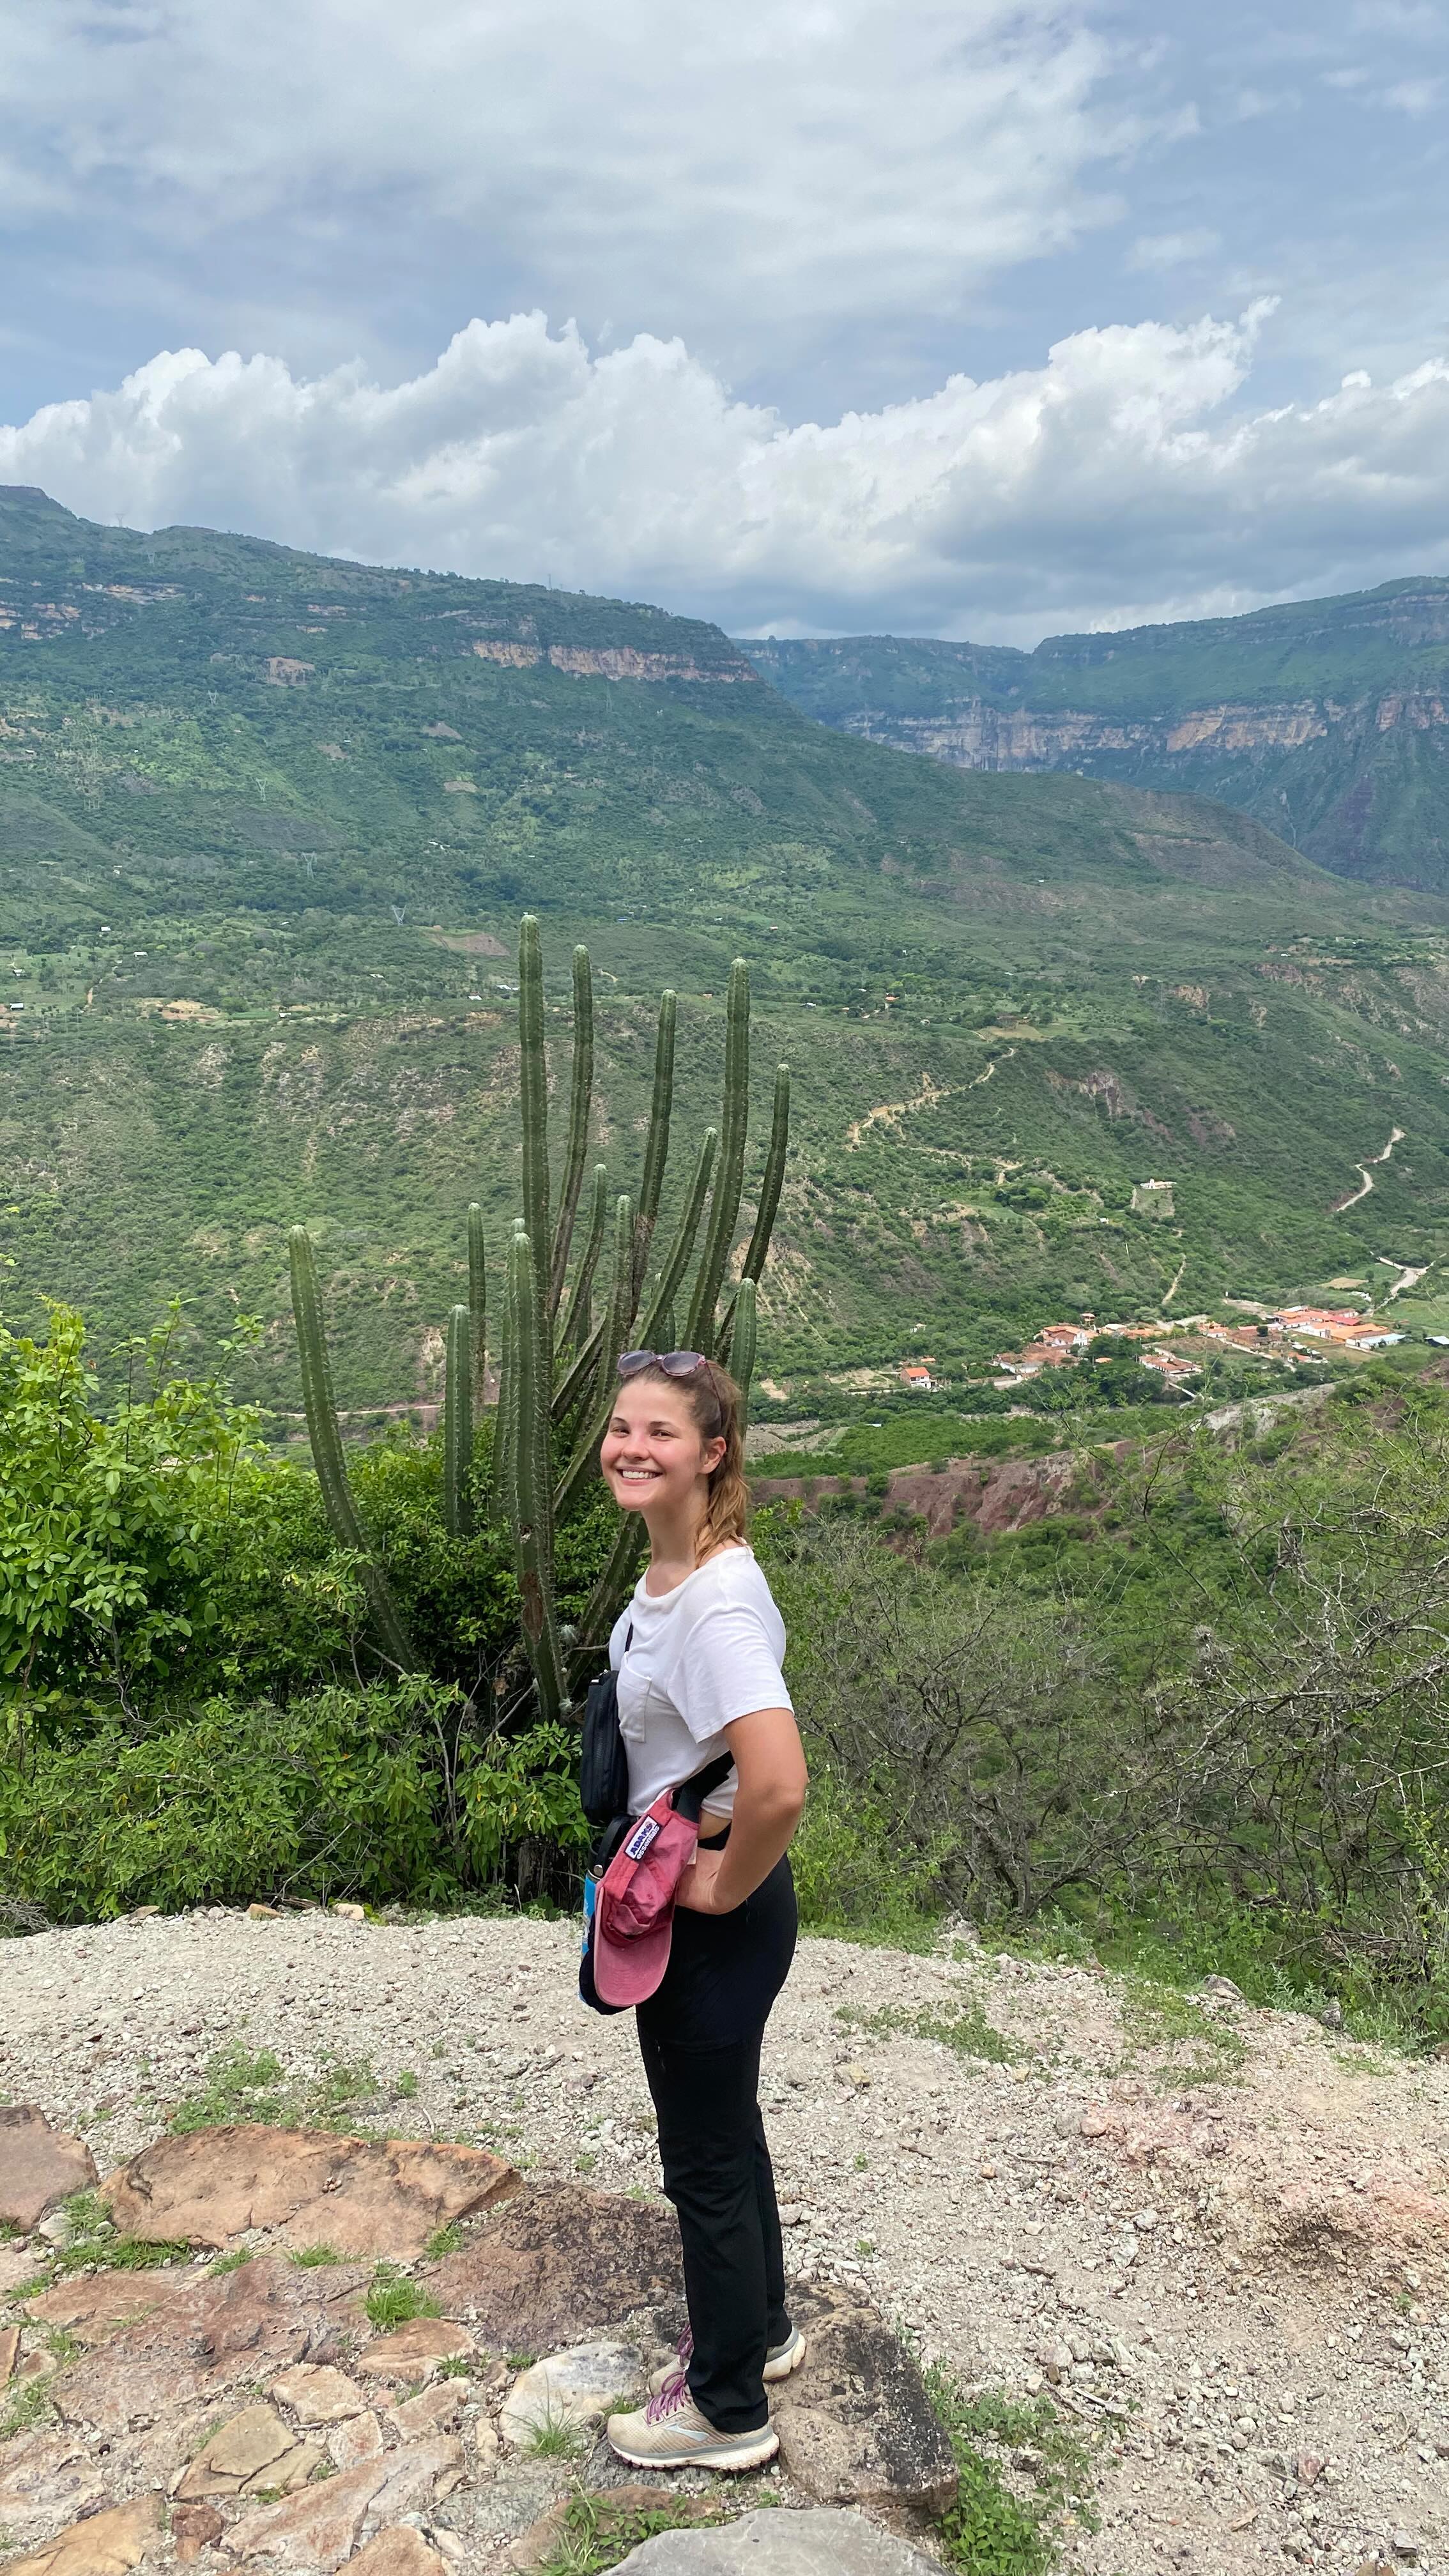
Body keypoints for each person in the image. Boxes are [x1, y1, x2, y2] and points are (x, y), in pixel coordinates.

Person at [594, 1347, 809, 2474]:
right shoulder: (685, 1572)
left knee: (705, 2162)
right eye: (621, 1426)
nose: (631, 1447)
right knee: (730, 2131)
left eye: (661, 1432)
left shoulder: (713, 1601)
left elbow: (776, 1781)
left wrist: (717, 1883)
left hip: (710, 1917)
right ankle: (762, 2331)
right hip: (715, 1903)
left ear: (712, 1452)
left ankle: (723, 2410)